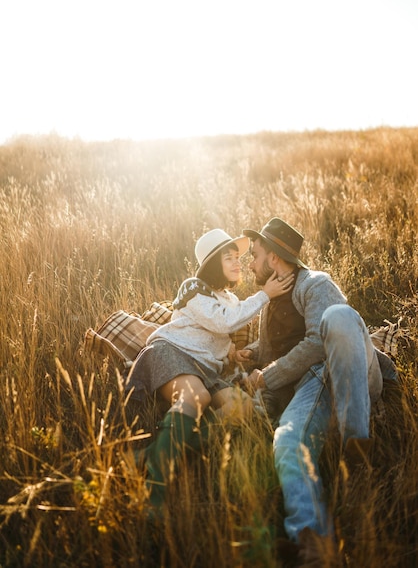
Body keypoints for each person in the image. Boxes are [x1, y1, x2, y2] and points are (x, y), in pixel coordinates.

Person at [237, 217, 398, 563]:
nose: (250, 263)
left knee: (338, 317)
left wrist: (267, 375)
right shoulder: (269, 305)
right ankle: (314, 540)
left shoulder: (315, 283)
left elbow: (316, 346)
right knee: (287, 440)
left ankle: (358, 449)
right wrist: (249, 358)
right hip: (312, 389)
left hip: (347, 371)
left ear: (275, 258)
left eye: (255, 254)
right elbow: (269, 355)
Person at [126, 227, 293, 511]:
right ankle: (154, 494)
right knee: (197, 398)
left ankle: (155, 453)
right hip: (173, 352)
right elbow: (222, 322)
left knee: (242, 409)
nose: (237, 262)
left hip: (206, 370)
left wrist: (231, 351)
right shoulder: (193, 287)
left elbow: (219, 331)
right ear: (213, 263)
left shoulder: (229, 299)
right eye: (229, 258)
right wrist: (264, 294)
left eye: (238, 257)